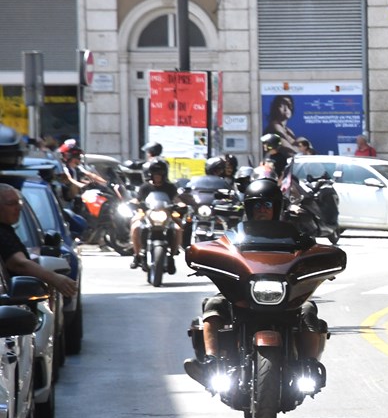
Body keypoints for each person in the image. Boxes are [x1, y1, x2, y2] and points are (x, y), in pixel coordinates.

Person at [183, 178, 328, 388]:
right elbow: (218, 249)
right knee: (213, 305)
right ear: (249, 208)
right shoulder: (235, 236)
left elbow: (312, 251)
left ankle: (310, 364)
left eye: (267, 204)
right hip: (243, 291)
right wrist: (207, 261)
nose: (262, 209)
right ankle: (210, 363)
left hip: (284, 292)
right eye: (257, 205)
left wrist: (318, 263)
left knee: (307, 309)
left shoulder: (294, 235)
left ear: (276, 207)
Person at [0, 183, 77, 299]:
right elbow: (19, 264)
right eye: (11, 203)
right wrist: (55, 279)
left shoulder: (7, 230)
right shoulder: (2, 234)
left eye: (19, 203)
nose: (18, 208)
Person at [130, 158, 183, 269]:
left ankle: (172, 256)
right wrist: (134, 203)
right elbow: (137, 199)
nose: (157, 176)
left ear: (164, 174)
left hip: (167, 215)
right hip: (147, 214)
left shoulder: (170, 187)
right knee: (135, 226)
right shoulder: (145, 187)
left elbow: (177, 199)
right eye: (155, 173)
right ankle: (137, 255)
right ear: (151, 174)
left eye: (159, 173)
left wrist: (181, 205)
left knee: (178, 228)